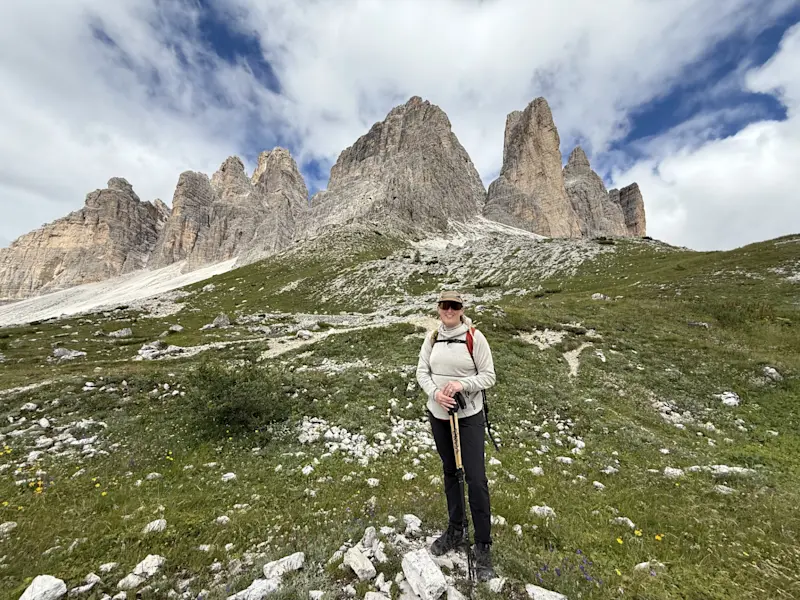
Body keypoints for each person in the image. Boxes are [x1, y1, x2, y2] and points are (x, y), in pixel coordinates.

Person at [416, 290, 497, 582]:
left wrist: (461, 385)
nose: (449, 310)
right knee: (451, 472)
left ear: (462, 309)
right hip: (438, 416)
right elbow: (421, 372)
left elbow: (489, 375)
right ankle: (455, 528)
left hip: (468, 418)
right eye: (445, 305)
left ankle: (483, 544)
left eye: (455, 306)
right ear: (439, 309)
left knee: (475, 477)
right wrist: (436, 392)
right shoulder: (432, 338)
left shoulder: (475, 337)